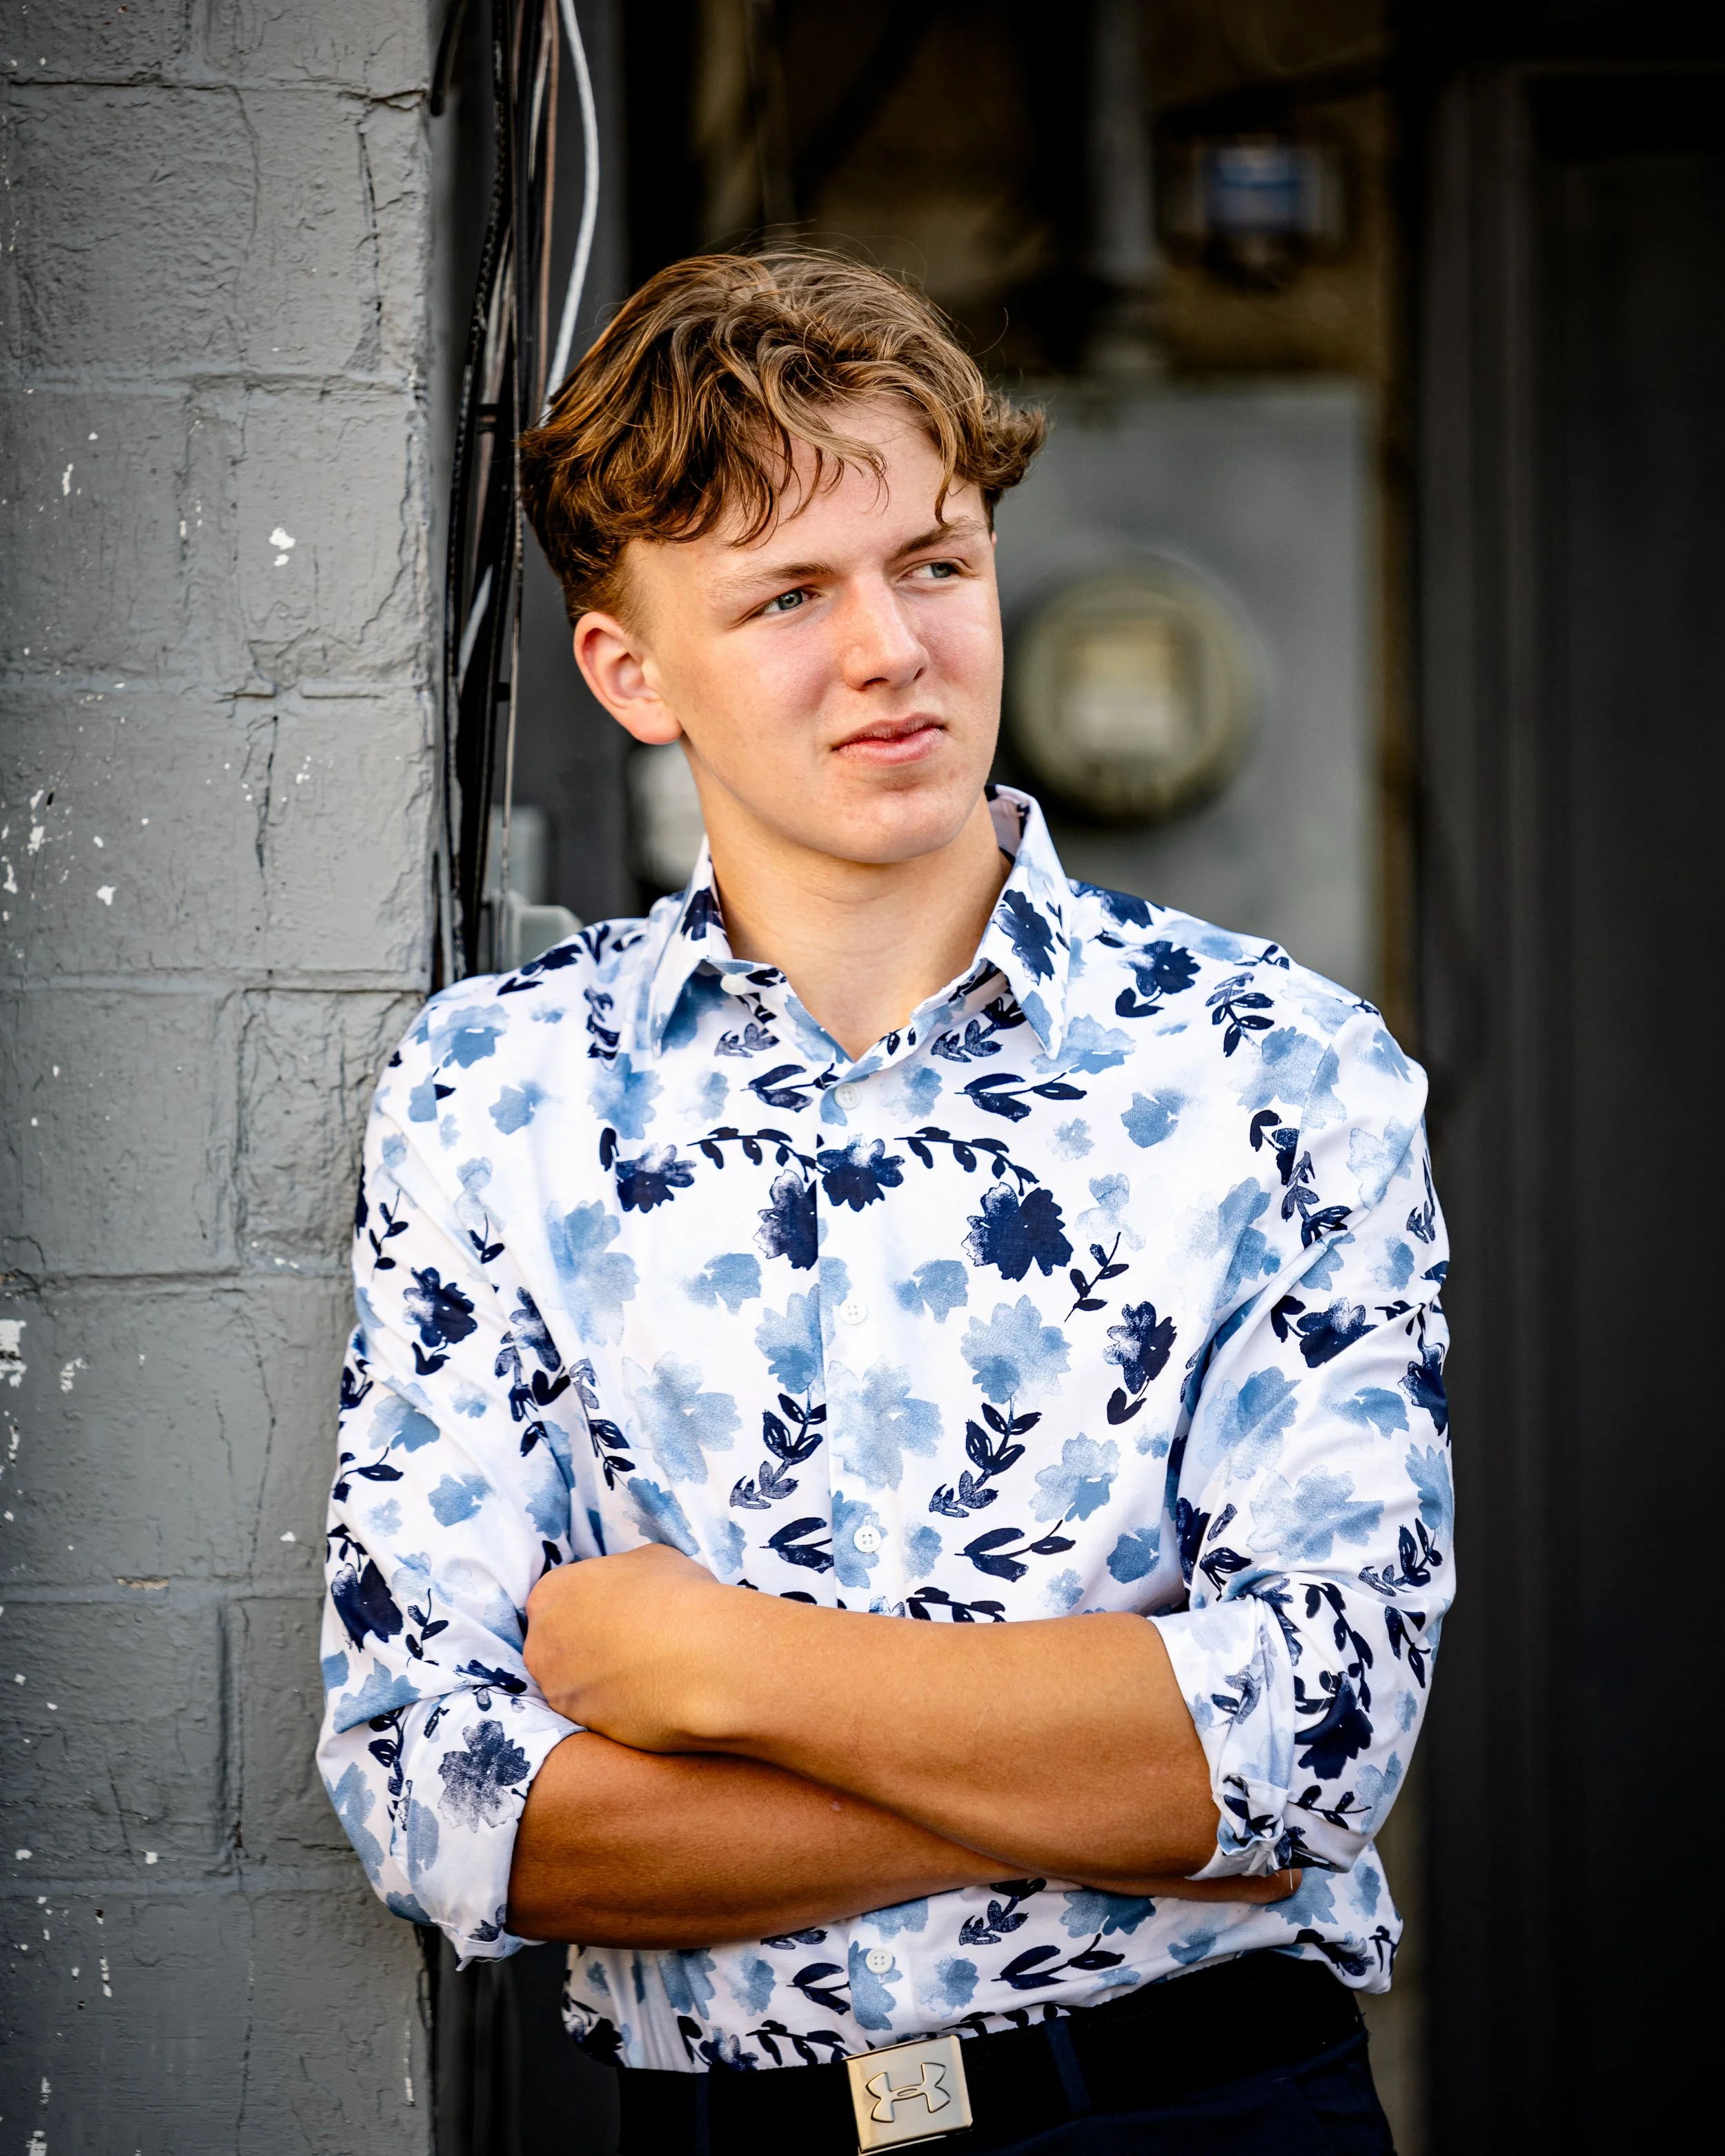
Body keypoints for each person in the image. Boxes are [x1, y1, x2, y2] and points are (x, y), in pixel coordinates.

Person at [319, 251, 1450, 2155]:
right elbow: (439, 1798)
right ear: (631, 673)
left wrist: (720, 1666)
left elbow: (1312, 1737)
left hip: (1193, 2114)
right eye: (785, 596)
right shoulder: (499, 1093)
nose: (891, 649)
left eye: (933, 561)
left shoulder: (1276, 1065)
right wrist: (1128, 1787)